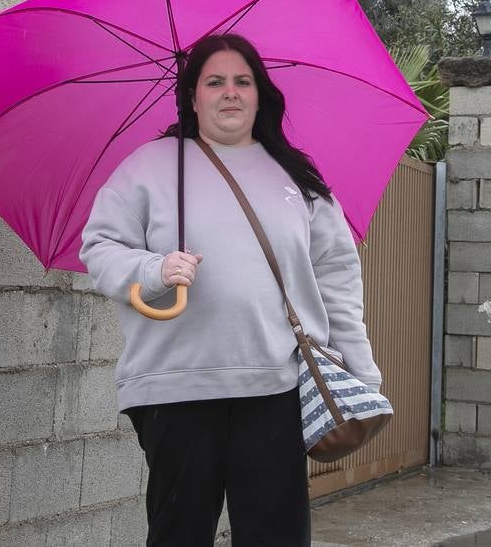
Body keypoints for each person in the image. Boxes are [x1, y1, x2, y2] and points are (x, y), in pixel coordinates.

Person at [80, 33, 381, 547]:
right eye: (214, 81)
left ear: (260, 93)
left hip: (276, 389)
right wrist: (154, 270)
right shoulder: (149, 168)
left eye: (243, 81)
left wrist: (360, 367)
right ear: (192, 95)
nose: (230, 93)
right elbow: (99, 248)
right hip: (175, 388)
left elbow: (336, 275)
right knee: (180, 535)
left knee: (276, 537)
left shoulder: (297, 178)